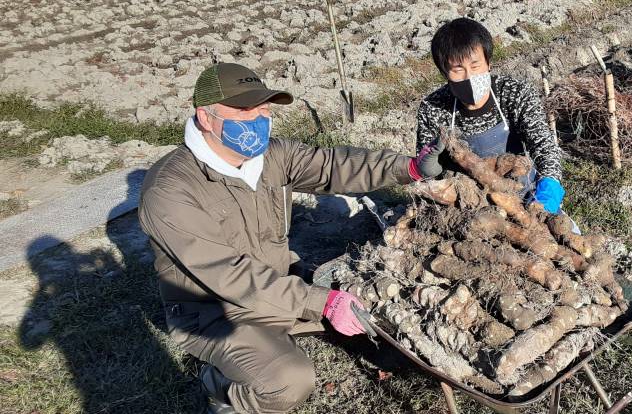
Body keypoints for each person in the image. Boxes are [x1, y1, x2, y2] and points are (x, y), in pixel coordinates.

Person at [138, 63, 443, 414]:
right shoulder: (169, 190)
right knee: (289, 381)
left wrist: (409, 168)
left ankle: (287, 328)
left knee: (390, 320)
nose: (257, 119)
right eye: (243, 110)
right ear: (206, 118)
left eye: (264, 109)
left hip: (281, 284)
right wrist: (320, 302)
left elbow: (333, 166)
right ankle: (218, 386)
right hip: (215, 311)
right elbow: (228, 275)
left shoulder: (272, 156)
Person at [416, 17, 565, 214]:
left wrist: (548, 191)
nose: (469, 77)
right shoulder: (432, 108)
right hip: (466, 206)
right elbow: (427, 170)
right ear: (445, 73)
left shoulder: (514, 92)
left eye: (475, 66)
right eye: (458, 70)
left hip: (524, 195)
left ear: (488, 63)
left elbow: (544, 145)